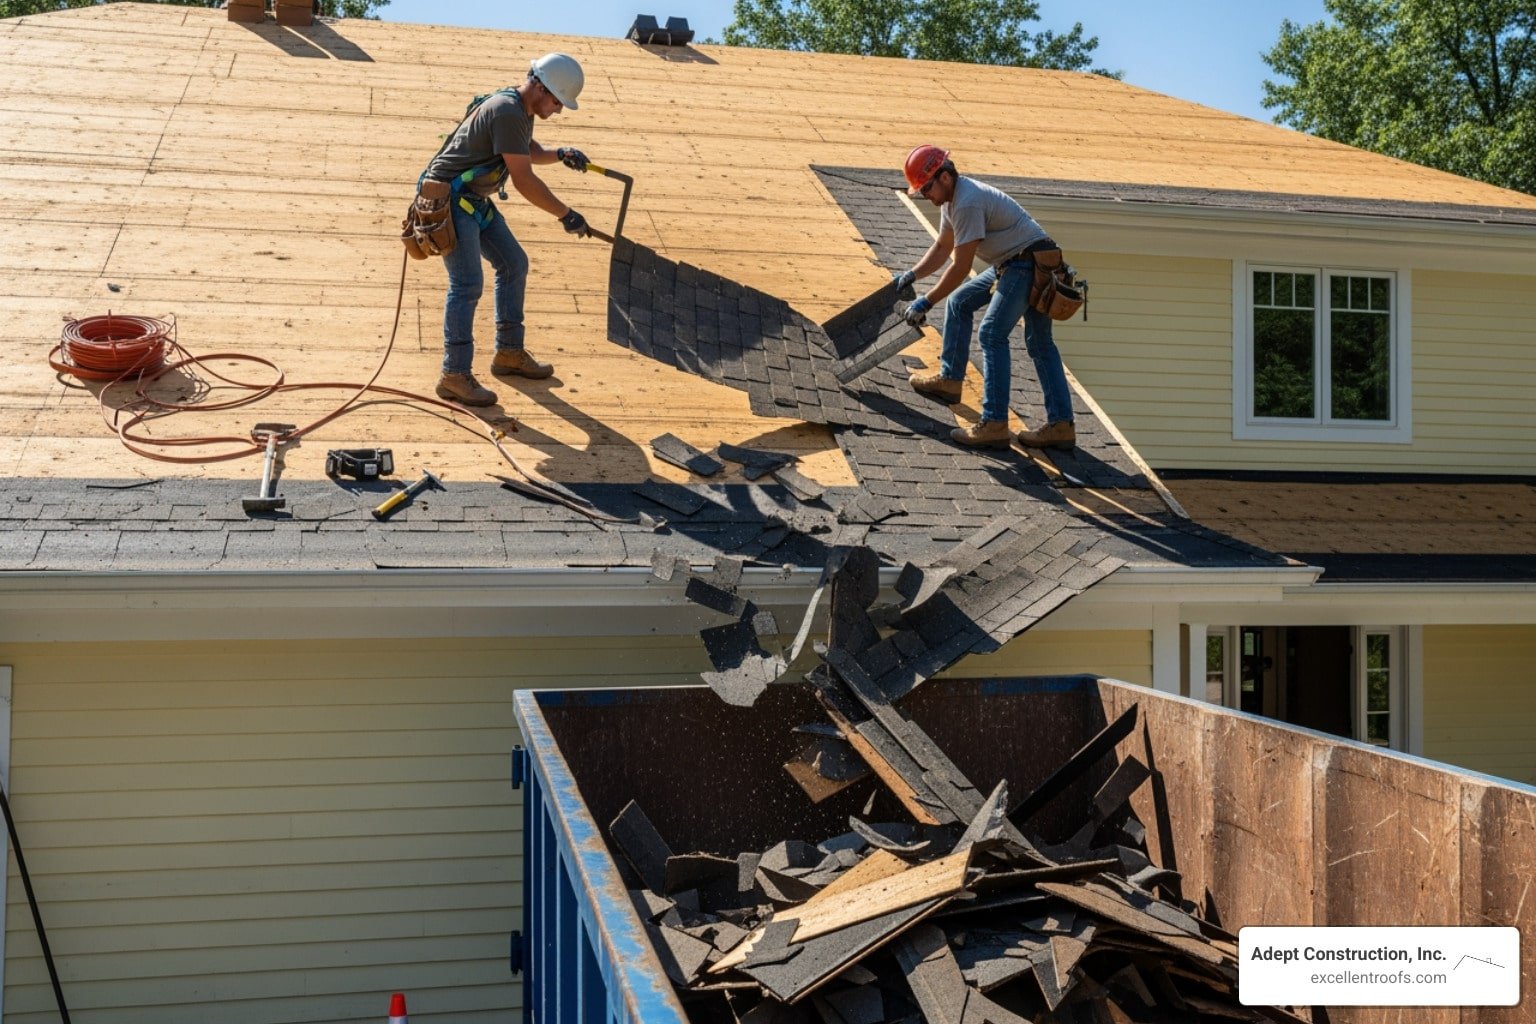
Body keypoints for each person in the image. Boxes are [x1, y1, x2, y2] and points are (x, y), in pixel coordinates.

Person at [418, 53, 594, 407]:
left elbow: (528, 152)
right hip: (449, 201)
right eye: (558, 101)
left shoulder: (520, 110)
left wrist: (561, 153)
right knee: (467, 284)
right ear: (540, 87)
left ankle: (509, 353)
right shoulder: (507, 110)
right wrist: (565, 214)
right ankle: (454, 374)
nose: (558, 110)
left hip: (473, 200)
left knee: (514, 263)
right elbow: (524, 179)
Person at [893, 145, 1076, 450]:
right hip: (1015, 263)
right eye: (921, 190)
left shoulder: (967, 203)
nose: (926, 195)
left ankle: (995, 424)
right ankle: (951, 381)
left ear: (946, 177)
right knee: (960, 302)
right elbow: (942, 249)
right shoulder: (951, 204)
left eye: (927, 187)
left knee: (993, 334)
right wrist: (912, 275)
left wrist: (926, 301)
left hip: (1029, 264)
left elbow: (961, 266)